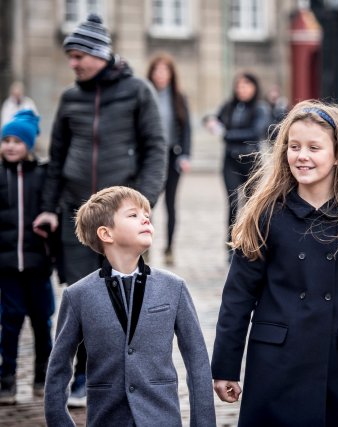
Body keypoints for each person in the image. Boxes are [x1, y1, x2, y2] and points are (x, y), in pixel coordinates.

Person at [211, 100, 338, 426]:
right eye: (294, 146)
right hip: (277, 361)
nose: (301, 155)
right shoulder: (266, 214)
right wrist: (225, 366)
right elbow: (237, 297)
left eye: (313, 147)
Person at [32, 14, 166, 407]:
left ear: (99, 54)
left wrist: (139, 205)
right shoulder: (71, 98)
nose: (73, 64)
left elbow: (155, 150)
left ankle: (127, 376)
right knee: (84, 297)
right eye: (70, 57)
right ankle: (83, 376)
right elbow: (56, 157)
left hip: (122, 218)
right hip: (77, 215)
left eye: (78, 56)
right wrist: (48, 208)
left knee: (123, 297)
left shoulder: (138, 91)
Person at [44, 186, 215, 426]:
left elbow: (197, 361)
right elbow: (58, 369)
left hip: (162, 418)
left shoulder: (174, 287)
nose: (146, 218)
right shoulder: (78, 295)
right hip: (107, 418)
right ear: (106, 233)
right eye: (133, 215)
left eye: (147, 214)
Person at [0, 110, 55, 404]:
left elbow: (53, 209)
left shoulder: (43, 174)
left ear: (29, 144)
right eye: (5, 140)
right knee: (9, 321)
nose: (10, 146)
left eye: (17, 141)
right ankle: (6, 376)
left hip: (38, 264)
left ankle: (42, 375)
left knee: (41, 321)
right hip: (7, 265)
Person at [207, 72, 270, 244]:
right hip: (230, 161)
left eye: (246, 86)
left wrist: (227, 134)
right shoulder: (229, 106)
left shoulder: (260, 108)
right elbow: (213, 118)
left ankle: (251, 242)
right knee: (233, 204)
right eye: (239, 86)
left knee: (252, 205)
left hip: (251, 161)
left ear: (254, 87)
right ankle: (231, 243)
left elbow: (255, 132)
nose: (241, 89)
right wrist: (211, 122)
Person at [147, 52, 192, 266]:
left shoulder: (178, 97)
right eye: (157, 70)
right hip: (150, 157)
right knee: (147, 204)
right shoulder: (145, 94)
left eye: (165, 71)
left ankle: (169, 248)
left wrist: (186, 154)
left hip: (172, 156)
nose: (161, 75)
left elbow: (186, 129)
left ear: (171, 74)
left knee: (171, 204)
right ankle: (145, 247)